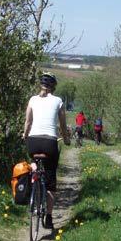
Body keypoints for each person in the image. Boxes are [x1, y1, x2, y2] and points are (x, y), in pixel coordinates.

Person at [23, 72, 71, 230]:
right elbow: (63, 126)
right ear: (54, 87)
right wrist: (66, 139)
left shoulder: (32, 99)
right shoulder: (58, 101)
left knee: (34, 163)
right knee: (50, 182)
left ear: (41, 85)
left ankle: (33, 181)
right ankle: (48, 217)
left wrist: (25, 135)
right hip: (50, 143)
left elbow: (28, 121)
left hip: (33, 142)